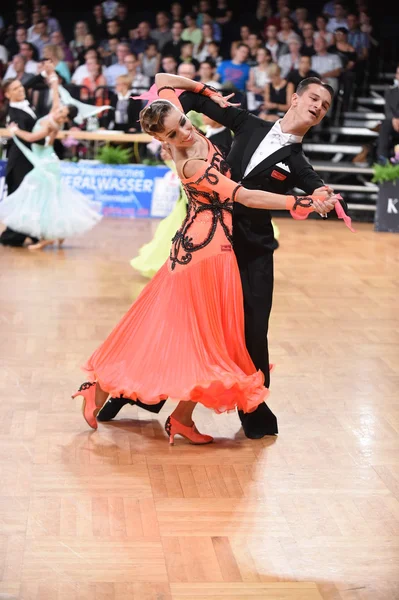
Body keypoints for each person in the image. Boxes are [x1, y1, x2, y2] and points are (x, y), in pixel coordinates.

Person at [74, 74, 339, 439]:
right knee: (188, 333)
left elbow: (169, 90)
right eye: (312, 98)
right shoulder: (229, 135)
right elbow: (243, 195)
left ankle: (212, 412)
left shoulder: (285, 155)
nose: (317, 107)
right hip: (206, 248)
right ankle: (117, 390)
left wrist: (202, 90)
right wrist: (301, 203)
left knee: (230, 334)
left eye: (324, 105)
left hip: (241, 249)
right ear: (294, 98)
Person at [0, 70, 102, 250]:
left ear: (65, 117)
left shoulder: (51, 122)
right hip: (40, 161)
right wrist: (53, 80)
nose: (59, 109)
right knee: (45, 197)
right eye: (15, 88)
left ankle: (45, 235)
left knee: (40, 197)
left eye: (62, 111)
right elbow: (55, 99)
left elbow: (32, 138)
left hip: (42, 163)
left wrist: (15, 131)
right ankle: (50, 233)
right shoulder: (53, 115)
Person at [0, 78, 39, 247]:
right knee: (20, 195)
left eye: (20, 86)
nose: (20, 89)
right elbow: (26, 135)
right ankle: (15, 234)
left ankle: (31, 232)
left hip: (30, 158)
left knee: (30, 196)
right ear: (8, 94)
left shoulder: (26, 105)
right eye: (15, 88)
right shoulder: (13, 114)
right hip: (20, 161)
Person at [377, 65, 399, 163]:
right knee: (385, 124)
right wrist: (394, 119)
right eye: (398, 73)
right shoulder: (390, 91)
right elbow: (388, 109)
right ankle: (383, 162)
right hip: (394, 122)